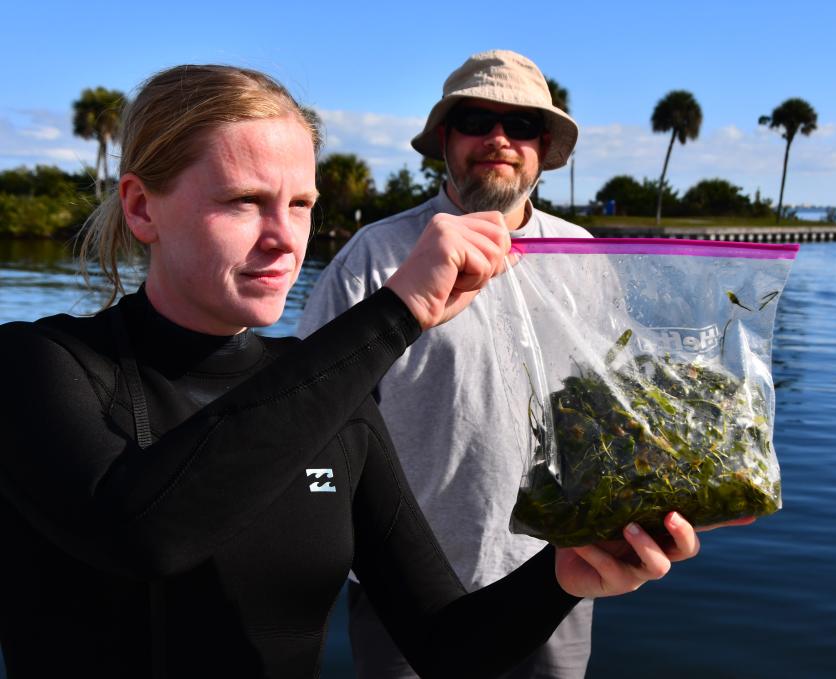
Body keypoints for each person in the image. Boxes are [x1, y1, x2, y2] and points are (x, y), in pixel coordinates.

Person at [0, 64, 728, 679]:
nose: (284, 237)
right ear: (141, 207)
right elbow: (143, 533)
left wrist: (562, 576)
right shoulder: (42, 365)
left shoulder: (330, 403)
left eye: (301, 204)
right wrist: (398, 309)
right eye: (243, 202)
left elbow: (448, 645)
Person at [296, 49, 591, 678]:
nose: (499, 140)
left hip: (559, 572)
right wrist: (326, 533)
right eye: (477, 120)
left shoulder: (584, 257)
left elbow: (609, 408)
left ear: (545, 145)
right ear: (445, 139)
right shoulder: (375, 256)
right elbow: (309, 422)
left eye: (522, 125)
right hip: (405, 587)